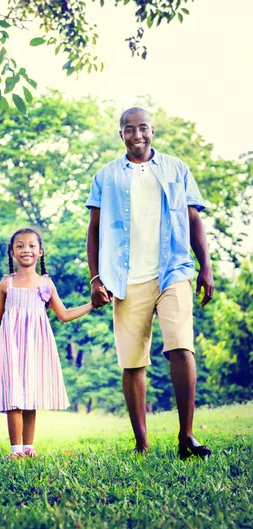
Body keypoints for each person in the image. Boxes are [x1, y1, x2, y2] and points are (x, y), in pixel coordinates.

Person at [86, 107, 214, 459]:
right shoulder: (106, 176)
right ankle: (142, 443)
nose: (137, 134)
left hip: (172, 269)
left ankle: (186, 437)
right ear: (121, 135)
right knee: (132, 362)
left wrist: (206, 267)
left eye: (143, 128)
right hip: (125, 278)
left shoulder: (176, 169)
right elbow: (94, 230)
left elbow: (193, 219)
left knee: (181, 346)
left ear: (153, 131)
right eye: (130, 129)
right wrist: (96, 278)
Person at [0, 228, 94, 459]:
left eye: (30, 245)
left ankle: (28, 447)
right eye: (19, 246)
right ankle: (15, 450)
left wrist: (92, 305)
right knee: (14, 395)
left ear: (40, 252)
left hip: (36, 346)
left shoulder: (45, 283)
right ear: (12, 252)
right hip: (12, 346)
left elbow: (64, 314)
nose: (25, 249)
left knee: (30, 395)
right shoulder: (6, 284)